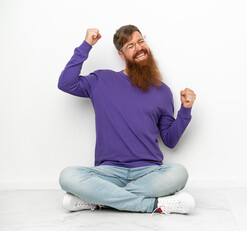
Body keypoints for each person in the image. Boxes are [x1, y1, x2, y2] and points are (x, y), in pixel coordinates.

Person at [58, 25, 197, 214]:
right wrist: (86, 45)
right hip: (108, 173)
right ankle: (154, 205)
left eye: (140, 42)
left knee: (179, 173)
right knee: (68, 176)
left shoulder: (162, 91)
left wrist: (185, 111)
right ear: (122, 55)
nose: (139, 47)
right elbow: (66, 83)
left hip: (150, 172)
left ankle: (98, 200)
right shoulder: (102, 80)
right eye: (130, 46)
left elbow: (170, 141)